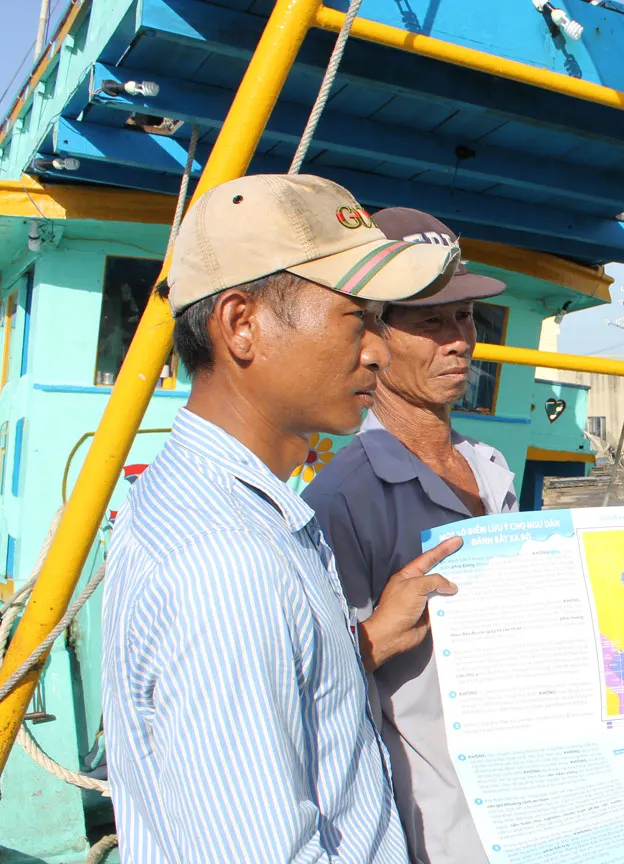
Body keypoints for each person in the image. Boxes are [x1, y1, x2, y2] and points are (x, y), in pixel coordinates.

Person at [101, 174, 467, 862]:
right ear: (242, 324)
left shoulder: (222, 503)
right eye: (356, 317)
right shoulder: (227, 561)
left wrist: (365, 646)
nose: (377, 350)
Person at [302, 207, 517, 864]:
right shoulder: (343, 499)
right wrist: (366, 645)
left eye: (466, 318)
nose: (459, 341)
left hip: (519, 795)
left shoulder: (491, 465)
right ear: (374, 339)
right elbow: (316, 693)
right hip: (430, 824)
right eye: (431, 322)